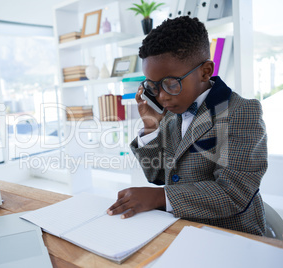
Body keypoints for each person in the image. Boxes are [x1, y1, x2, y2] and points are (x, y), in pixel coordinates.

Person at [107, 16, 268, 235]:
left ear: (205, 71)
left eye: (171, 84)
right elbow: (156, 174)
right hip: (182, 228)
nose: (162, 97)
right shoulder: (173, 114)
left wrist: (159, 197)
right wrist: (151, 127)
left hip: (231, 235)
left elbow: (233, 193)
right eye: (153, 86)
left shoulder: (242, 112)